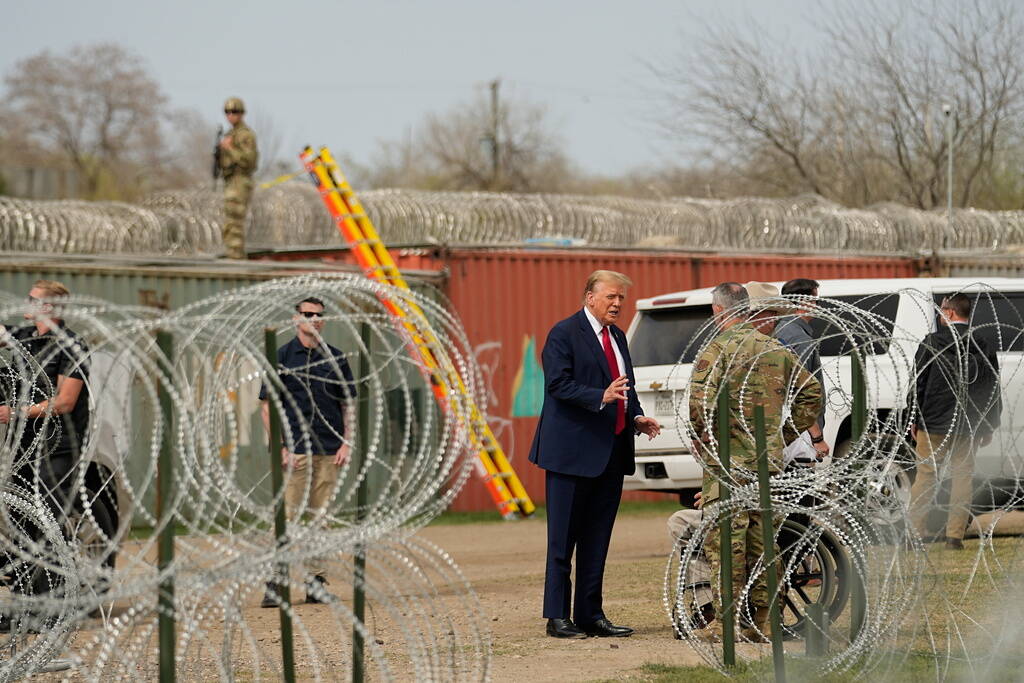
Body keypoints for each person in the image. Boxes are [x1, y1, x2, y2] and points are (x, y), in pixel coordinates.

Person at [529, 270, 662, 639]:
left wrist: (636, 417)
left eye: (621, 298)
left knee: (597, 539)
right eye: (610, 297)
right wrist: (598, 396)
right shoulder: (564, 333)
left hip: (612, 453)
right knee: (563, 540)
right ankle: (557, 617)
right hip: (571, 454)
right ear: (590, 296)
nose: (617, 304)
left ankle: (590, 614)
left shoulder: (618, 336)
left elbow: (625, 387)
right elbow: (557, 384)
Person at [687, 282, 822, 642]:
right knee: (765, 544)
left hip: (728, 464)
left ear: (719, 311)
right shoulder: (774, 348)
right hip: (766, 463)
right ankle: (766, 620)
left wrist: (706, 443)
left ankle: (727, 623)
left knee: (727, 543)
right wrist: (784, 436)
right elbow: (812, 393)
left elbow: (698, 406)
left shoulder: (718, 349)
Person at [0, 280, 91, 630]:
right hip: (24, 449)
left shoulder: (71, 346)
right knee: (21, 525)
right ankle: (26, 606)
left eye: (32, 299)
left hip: (58, 448)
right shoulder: (24, 337)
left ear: (51, 308)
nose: (25, 302)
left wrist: (16, 412)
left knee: (47, 524)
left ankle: (56, 608)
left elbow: (66, 401)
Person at [259, 296, 356, 606]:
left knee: (320, 519)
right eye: (308, 314)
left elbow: (347, 404)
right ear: (295, 318)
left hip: (328, 451)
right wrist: (280, 447)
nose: (314, 319)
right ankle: (277, 581)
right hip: (295, 451)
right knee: (287, 517)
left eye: (319, 315)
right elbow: (266, 406)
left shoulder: (336, 358)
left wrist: (347, 441)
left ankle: (316, 581)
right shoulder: (282, 357)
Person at [908, 293, 1001, 550]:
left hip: (934, 421)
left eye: (941, 311)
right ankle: (954, 537)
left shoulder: (933, 342)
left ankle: (916, 533)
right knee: (962, 479)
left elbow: (919, 382)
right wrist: (989, 424)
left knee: (926, 476)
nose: (940, 315)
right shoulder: (981, 343)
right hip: (968, 424)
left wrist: (913, 418)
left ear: (949, 313)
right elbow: (992, 387)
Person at [774, 278, 829, 460]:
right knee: (801, 483)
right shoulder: (799, 338)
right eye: (816, 300)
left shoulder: (780, 330)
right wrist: (817, 437)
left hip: (785, 427)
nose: (817, 306)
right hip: (800, 433)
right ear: (805, 302)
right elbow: (801, 391)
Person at [218, 96, 259, 260]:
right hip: (231, 179)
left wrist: (230, 149)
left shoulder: (245, 135)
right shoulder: (231, 134)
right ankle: (233, 252)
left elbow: (249, 161)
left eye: (234, 112)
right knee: (230, 219)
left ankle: (235, 255)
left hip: (240, 180)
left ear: (241, 113)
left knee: (235, 219)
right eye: (227, 112)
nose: (230, 115)